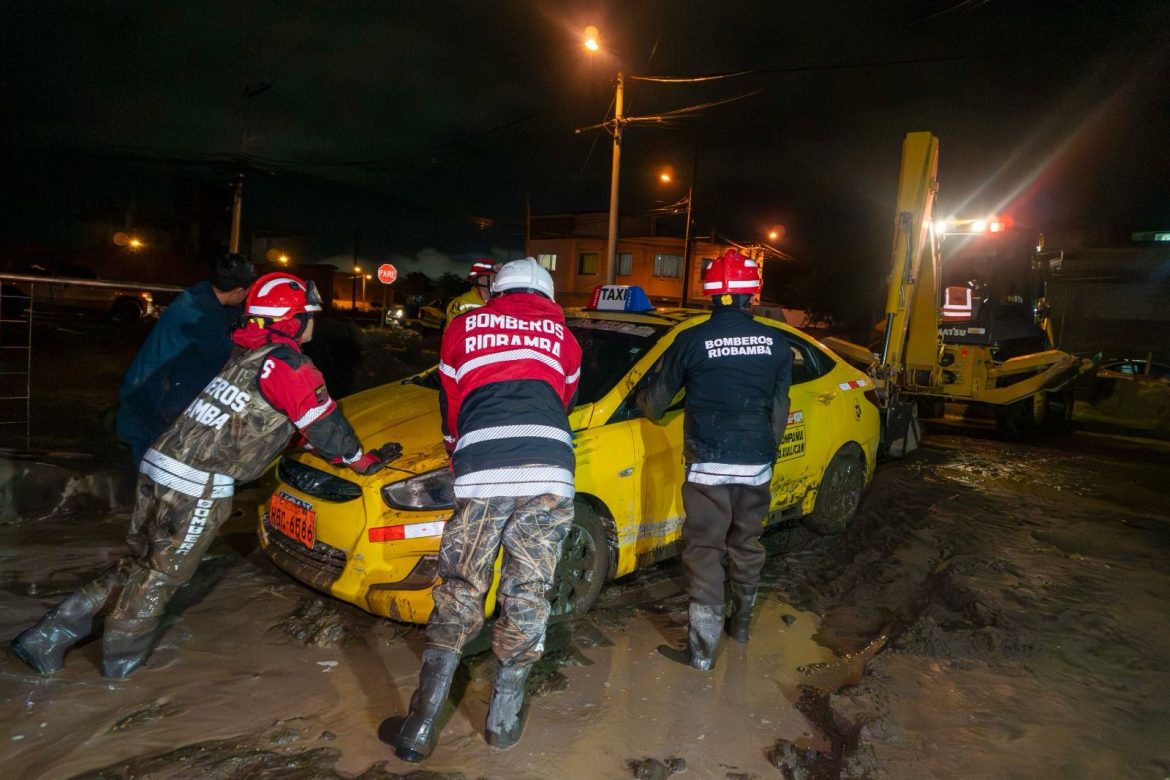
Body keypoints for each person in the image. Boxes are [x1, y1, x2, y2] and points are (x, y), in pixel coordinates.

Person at [11, 272, 400, 679]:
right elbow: (328, 429)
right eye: (308, 315)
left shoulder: (245, 355)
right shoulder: (291, 367)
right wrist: (364, 462)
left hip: (158, 466)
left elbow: (253, 422)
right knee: (162, 576)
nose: (313, 323)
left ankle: (46, 638)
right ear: (292, 320)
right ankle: (121, 670)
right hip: (196, 485)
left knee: (141, 563)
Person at [393, 257, 582, 761]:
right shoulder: (564, 338)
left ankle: (421, 725)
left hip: (481, 465)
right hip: (550, 468)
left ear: (495, 291)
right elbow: (562, 399)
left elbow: (451, 402)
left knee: (460, 584)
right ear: (545, 295)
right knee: (529, 586)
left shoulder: (461, 326)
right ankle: (502, 722)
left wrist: (460, 453)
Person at [636, 248, 792, 671]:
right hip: (757, 464)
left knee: (705, 549)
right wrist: (765, 454)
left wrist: (644, 393)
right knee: (746, 543)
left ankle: (702, 653)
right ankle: (738, 628)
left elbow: (653, 406)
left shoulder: (690, 341)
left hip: (708, 465)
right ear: (751, 296)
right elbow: (780, 407)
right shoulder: (777, 343)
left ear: (710, 295)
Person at [116, 253, 257, 465]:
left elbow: (230, 317)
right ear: (239, 291)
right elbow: (234, 357)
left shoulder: (201, 295)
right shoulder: (199, 317)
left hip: (154, 390)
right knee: (155, 469)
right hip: (152, 399)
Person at [444, 259, 497, 324]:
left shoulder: (499, 301)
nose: (498, 281)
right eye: (494, 277)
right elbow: (451, 332)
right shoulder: (461, 304)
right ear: (481, 280)